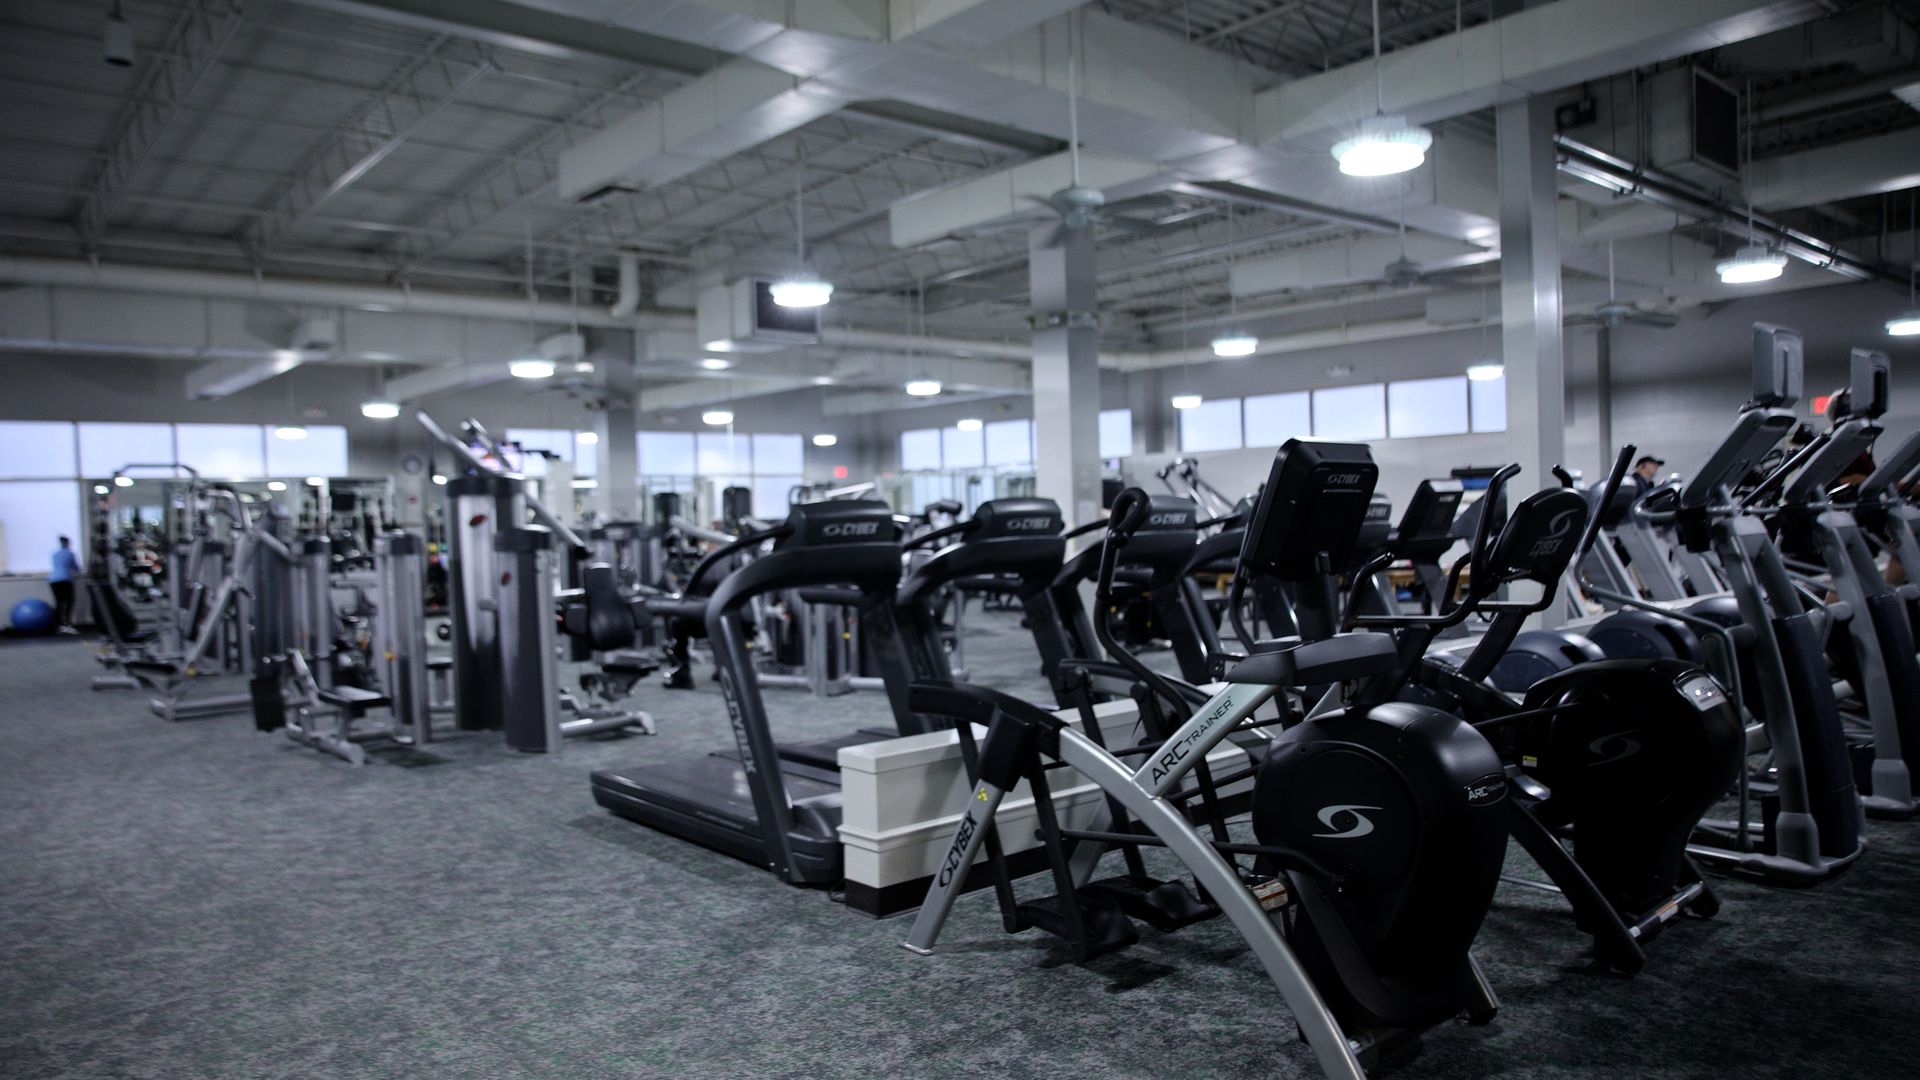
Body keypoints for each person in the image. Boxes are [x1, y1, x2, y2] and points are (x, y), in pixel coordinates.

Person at [48, 535, 80, 634]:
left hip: (53, 580)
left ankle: (58, 625)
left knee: (59, 602)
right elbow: (75, 568)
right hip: (65, 579)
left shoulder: (55, 554)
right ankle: (68, 624)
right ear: (67, 543)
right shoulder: (70, 553)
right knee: (69, 601)